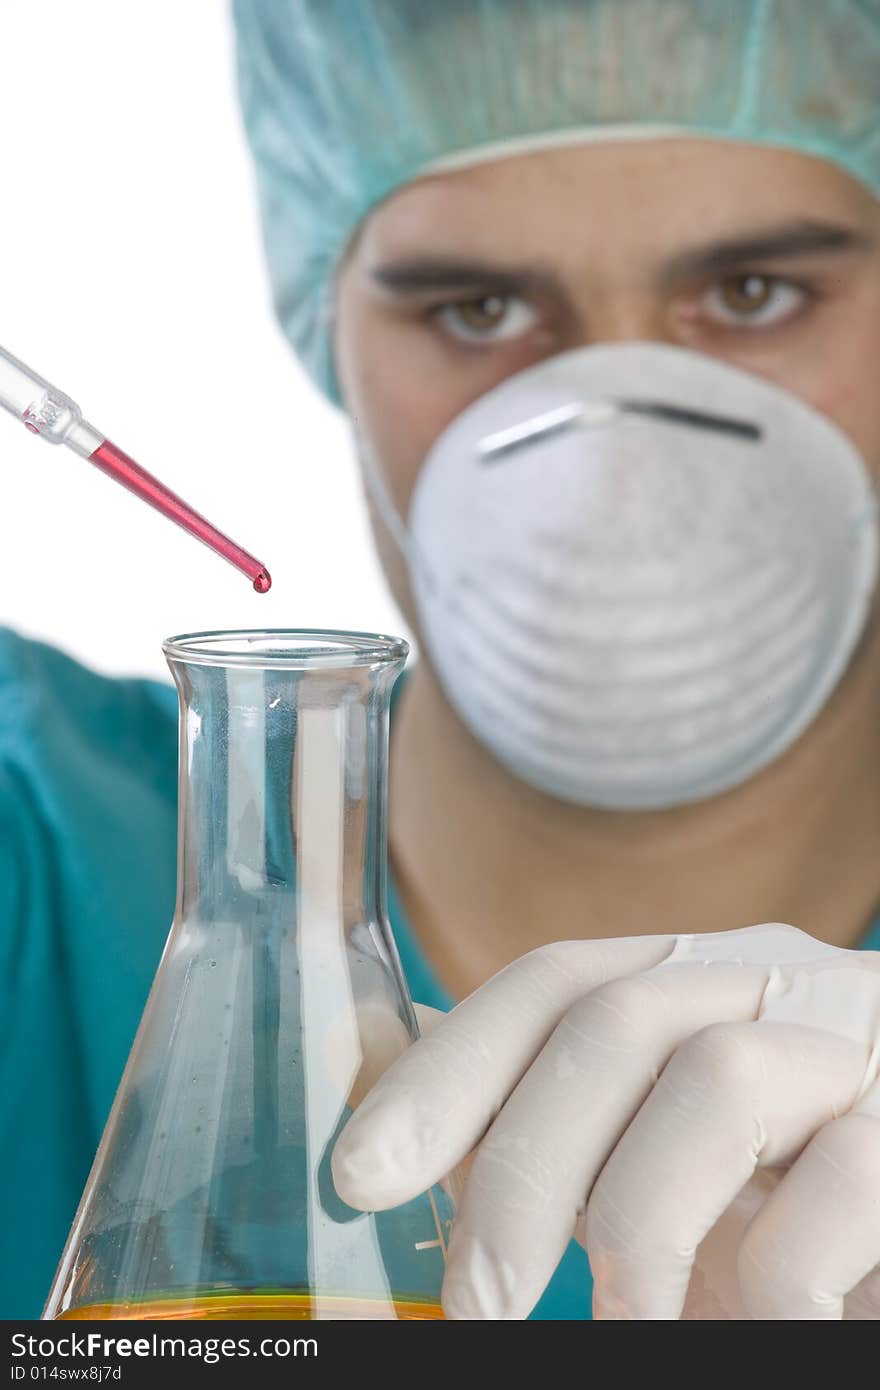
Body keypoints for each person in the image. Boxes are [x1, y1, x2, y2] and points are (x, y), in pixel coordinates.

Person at [1, 0, 878, 1319]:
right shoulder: (39, 847)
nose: (617, 465)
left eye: (753, 294)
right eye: (478, 307)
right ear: (325, 316)